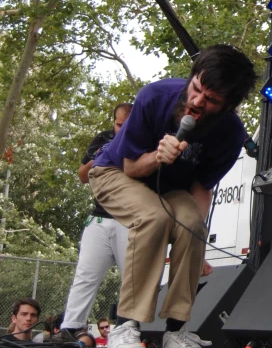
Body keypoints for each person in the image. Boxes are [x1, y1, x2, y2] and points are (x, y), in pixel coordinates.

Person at [89, 44, 257, 348]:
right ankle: (125, 326)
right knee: (152, 216)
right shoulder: (154, 97)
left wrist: (196, 240)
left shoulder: (231, 134)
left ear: (228, 106)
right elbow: (130, 167)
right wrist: (157, 157)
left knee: (192, 224)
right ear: (192, 77)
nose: (196, 101)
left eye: (211, 100)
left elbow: (200, 190)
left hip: (170, 189)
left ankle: (177, 330)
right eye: (195, 88)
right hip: (116, 172)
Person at [62, 104, 133, 332]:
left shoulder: (145, 139)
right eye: (118, 124)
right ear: (113, 121)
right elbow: (82, 176)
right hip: (100, 218)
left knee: (133, 280)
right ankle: (70, 328)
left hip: (130, 219)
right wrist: (103, 154)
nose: (122, 129)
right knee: (85, 276)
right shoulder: (103, 138)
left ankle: (128, 329)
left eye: (127, 125)